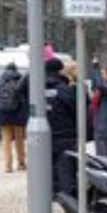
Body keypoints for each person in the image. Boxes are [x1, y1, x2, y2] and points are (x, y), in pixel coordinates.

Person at [45, 55, 78, 195]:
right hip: (66, 134)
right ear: (60, 70)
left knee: (49, 165)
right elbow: (75, 110)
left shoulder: (37, 88)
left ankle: (52, 192)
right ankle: (66, 198)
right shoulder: (64, 89)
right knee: (66, 168)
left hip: (46, 134)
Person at [0, 61, 28, 173]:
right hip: (18, 114)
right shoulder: (21, 82)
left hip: (3, 114)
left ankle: (7, 166)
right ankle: (21, 163)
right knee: (19, 140)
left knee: (6, 141)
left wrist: (0, 103)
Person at [90, 64, 107, 157]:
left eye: (103, 73)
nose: (102, 75)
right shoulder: (99, 93)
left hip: (105, 129)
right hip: (99, 128)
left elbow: (100, 85)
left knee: (106, 156)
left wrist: (96, 69)